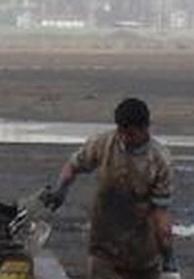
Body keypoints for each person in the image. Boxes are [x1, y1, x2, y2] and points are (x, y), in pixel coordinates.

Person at [40, 98, 177, 279]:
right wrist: (61, 189)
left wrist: (168, 258)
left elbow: (161, 216)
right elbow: (74, 165)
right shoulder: (104, 143)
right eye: (120, 131)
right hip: (104, 247)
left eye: (130, 133)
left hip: (142, 254)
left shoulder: (159, 161)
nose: (124, 138)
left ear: (145, 128)